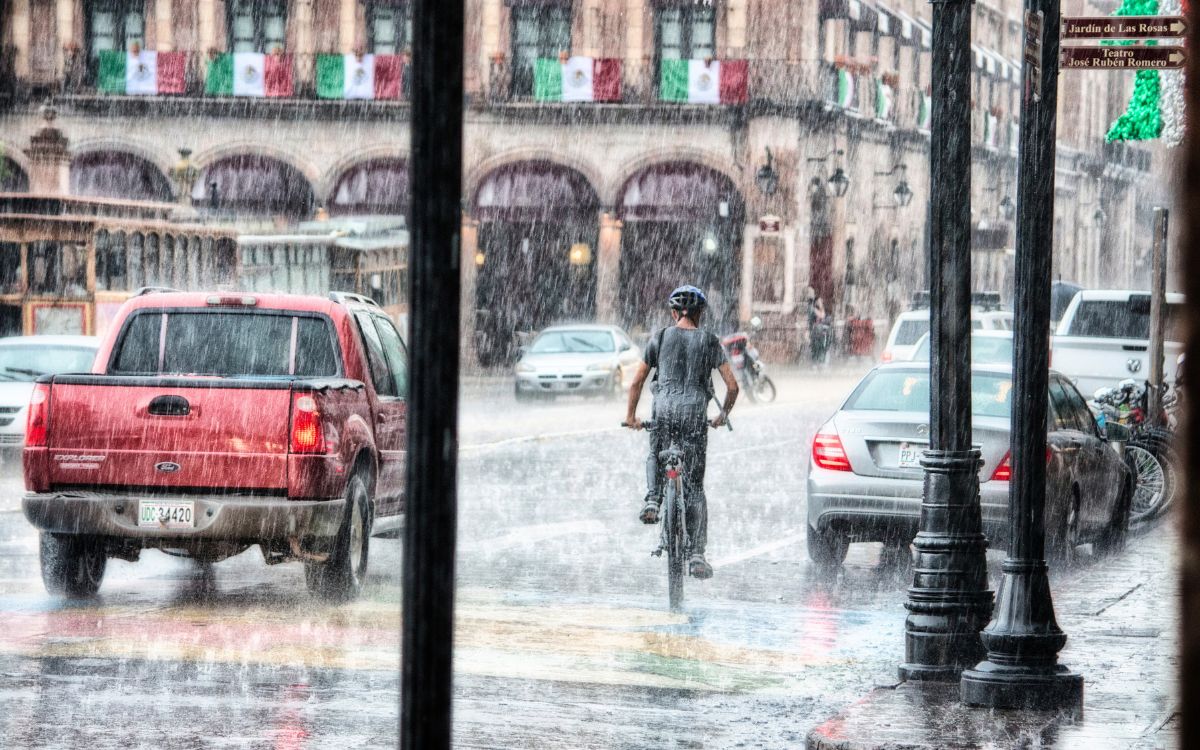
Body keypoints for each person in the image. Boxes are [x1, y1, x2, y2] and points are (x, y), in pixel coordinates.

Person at [623, 285, 739, 579]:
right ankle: (697, 553)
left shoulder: (660, 337)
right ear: (700, 314)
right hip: (694, 417)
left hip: (663, 411)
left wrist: (631, 416)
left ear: (674, 313)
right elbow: (733, 386)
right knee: (695, 487)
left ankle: (652, 498)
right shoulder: (710, 341)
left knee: (655, 452)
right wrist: (721, 415)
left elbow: (636, 382)